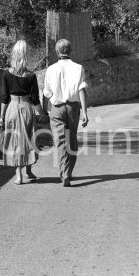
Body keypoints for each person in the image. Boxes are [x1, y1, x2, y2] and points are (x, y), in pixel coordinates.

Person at [43, 39, 89, 187]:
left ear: (57, 52)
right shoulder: (78, 68)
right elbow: (82, 90)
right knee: (72, 139)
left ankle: (64, 173)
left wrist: (48, 106)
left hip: (57, 108)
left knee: (61, 141)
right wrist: (85, 112)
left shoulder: (50, 69)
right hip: (73, 108)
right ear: (70, 51)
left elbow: (46, 92)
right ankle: (68, 172)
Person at [0, 40, 44, 185]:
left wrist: (1, 116)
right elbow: (35, 98)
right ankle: (28, 171)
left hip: (11, 109)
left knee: (15, 140)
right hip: (26, 108)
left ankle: (19, 176)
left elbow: (4, 97)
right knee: (28, 139)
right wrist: (42, 113)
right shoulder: (31, 76)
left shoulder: (6, 74)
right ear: (25, 55)